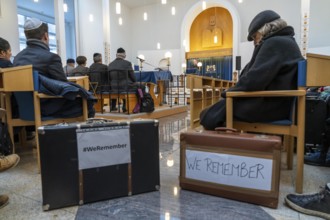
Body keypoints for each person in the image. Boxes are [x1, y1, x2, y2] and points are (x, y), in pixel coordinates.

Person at [200, 10, 304, 130]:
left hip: (270, 107)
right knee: (216, 110)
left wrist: (227, 93)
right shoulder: (286, 41)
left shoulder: (274, 43)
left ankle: (228, 146)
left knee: (208, 114)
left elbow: (253, 80)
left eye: (255, 36)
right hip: (280, 104)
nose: (255, 42)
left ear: (265, 29)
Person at [13, 18, 95, 118]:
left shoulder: (17, 58)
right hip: (47, 108)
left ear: (26, 36)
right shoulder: (51, 57)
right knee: (87, 103)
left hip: (22, 109)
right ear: (46, 36)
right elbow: (63, 85)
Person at [108, 47, 138, 112]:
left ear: (116, 55)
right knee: (134, 85)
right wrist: (135, 82)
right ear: (124, 54)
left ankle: (113, 106)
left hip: (113, 87)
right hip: (125, 87)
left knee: (122, 84)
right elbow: (132, 77)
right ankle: (125, 106)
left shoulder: (110, 64)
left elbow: (109, 78)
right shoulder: (127, 63)